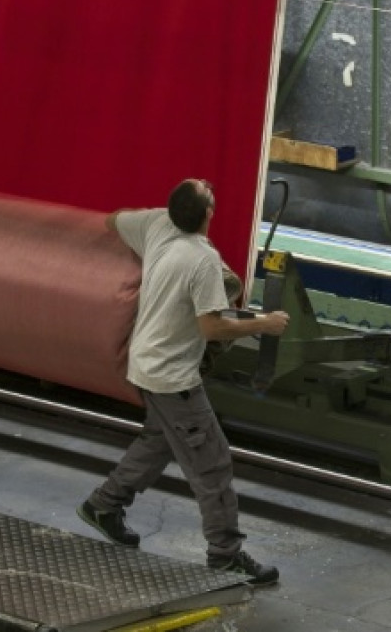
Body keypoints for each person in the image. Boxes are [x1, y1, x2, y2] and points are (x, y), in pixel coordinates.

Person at [78, 178, 290, 585]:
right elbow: (211, 327)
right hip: (172, 377)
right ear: (209, 215)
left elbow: (111, 220)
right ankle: (225, 554)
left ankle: (104, 505)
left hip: (142, 363)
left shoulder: (155, 225)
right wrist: (265, 324)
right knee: (212, 465)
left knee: (159, 442)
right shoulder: (202, 260)